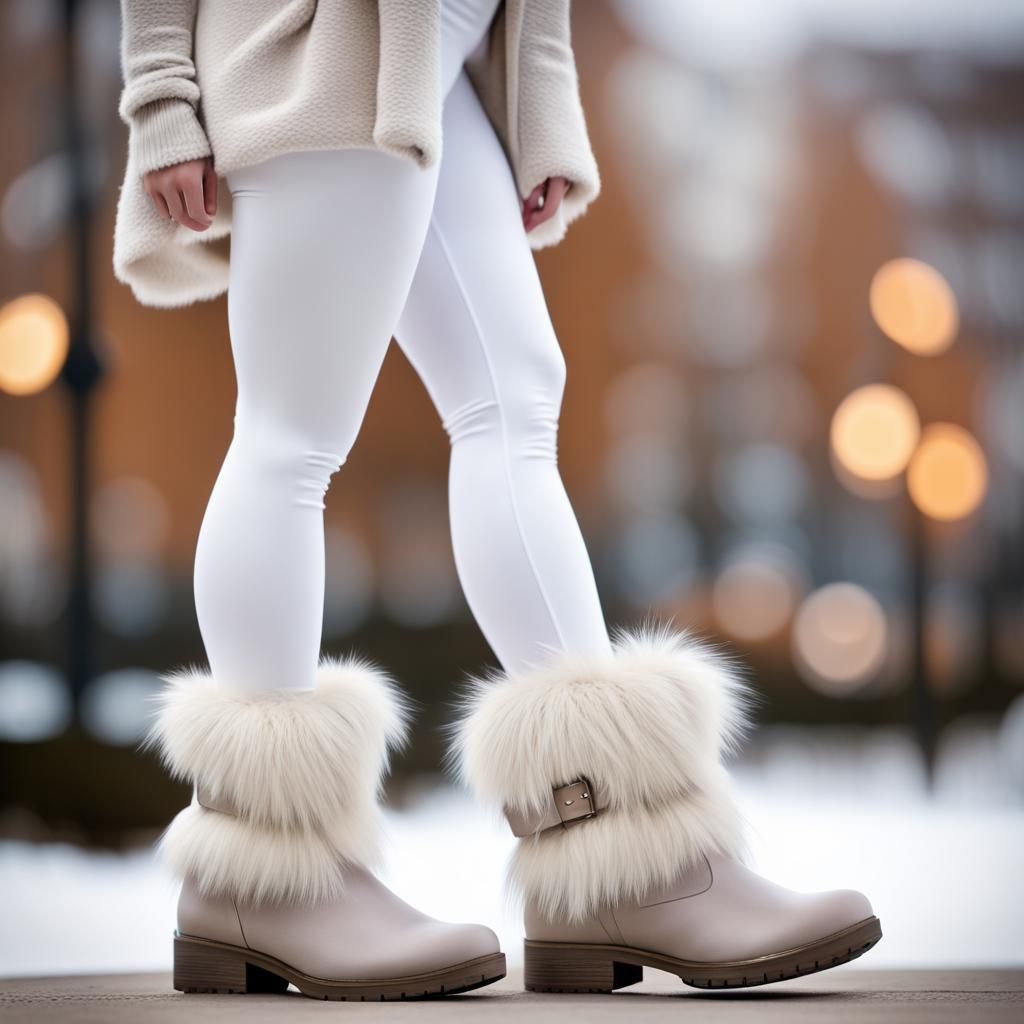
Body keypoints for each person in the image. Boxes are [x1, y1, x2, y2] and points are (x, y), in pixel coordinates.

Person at [115, 0, 881, 1002]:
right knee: (292, 433)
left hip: (440, 53)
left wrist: (540, 103)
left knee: (515, 407)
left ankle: (614, 859)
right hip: (321, 47)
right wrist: (161, 98)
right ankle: (269, 872)